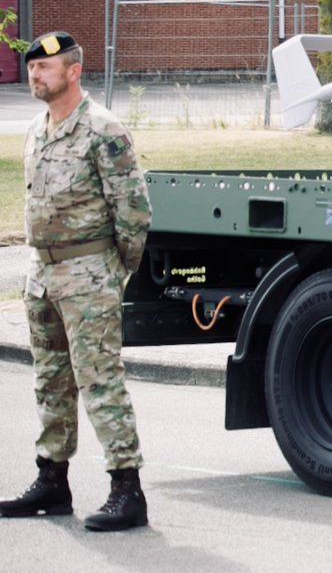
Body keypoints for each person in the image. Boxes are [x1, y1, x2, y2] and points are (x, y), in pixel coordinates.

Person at [0, 31, 153, 532]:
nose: (34, 76)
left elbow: (133, 211)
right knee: (50, 383)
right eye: (31, 69)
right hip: (42, 275)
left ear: (73, 71)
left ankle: (126, 489)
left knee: (100, 382)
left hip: (89, 276)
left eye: (44, 68)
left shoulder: (103, 130)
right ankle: (52, 481)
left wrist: (115, 271)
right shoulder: (37, 130)